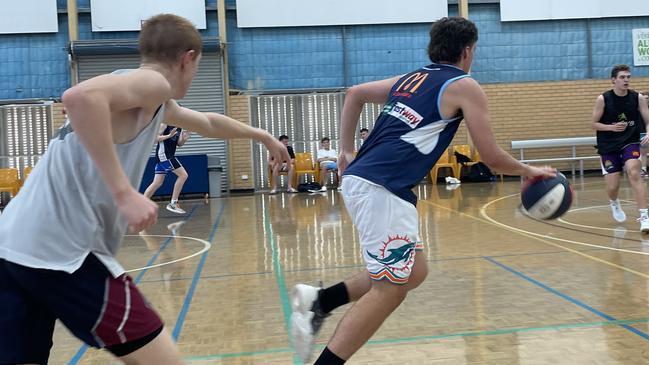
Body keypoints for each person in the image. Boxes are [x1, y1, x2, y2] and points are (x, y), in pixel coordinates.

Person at [0, 14, 288, 365]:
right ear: (189, 58)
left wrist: (263, 136)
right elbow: (77, 97)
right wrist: (124, 193)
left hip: (13, 246)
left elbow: (208, 122)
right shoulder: (153, 85)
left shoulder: (144, 94)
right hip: (62, 252)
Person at [289, 17, 556, 364]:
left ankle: (320, 301)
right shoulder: (464, 85)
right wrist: (529, 170)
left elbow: (354, 94)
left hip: (373, 184)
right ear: (468, 50)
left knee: (414, 270)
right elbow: (490, 157)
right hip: (380, 187)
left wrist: (346, 150)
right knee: (390, 290)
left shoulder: (413, 79)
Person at [591, 64, 649, 232]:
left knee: (633, 172)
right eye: (622, 77)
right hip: (608, 145)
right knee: (613, 186)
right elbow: (593, 124)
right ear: (613, 80)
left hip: (629, 142)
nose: (626, 80)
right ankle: (614, 203)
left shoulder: (637, 97)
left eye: (628, 77)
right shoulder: (603, 99)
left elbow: (647, 119)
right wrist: (611, 127)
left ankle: (644, 216)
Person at [143, 124, 190, 214]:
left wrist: (184, 139)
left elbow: (179, 144)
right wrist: (168, 136)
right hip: (164, 155)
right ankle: (173, 203)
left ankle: (141, 204)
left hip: (167, 156)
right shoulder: (164, 124)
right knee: (183, 175)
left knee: (157, 182)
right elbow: (155, 139)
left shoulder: (179, 126)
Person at [639, 91, 649, 177]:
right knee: (637, 152)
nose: (645, 100)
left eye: (647, 98)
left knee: (643, 152)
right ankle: (640, 169)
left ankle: (643, 169)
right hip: (636, 132)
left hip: (645, 133)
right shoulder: (636, 109)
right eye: (644, 98)